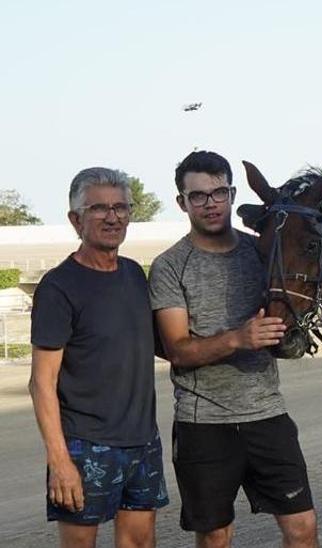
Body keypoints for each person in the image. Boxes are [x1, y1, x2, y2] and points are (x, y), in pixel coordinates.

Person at [150, 150, 318, 548]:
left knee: (303, 528)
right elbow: (178, 350)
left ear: (231, 193)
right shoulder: (170, 265)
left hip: (268, 415)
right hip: (203, 423)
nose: (210, 204)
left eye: (219, 193)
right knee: (215, 536)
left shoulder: (262, 251)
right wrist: (238, 339)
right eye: (198, 196)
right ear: (182, 202)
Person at [29, 167, 168, 548]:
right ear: (76, 219)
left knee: (140, 544)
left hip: (142, 441)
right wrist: (59, 461)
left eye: (121, 207)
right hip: (84, 445)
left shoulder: (134, 275)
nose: (113, 217)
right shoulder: (59, 287)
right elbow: (41, 381)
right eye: (99, 208)